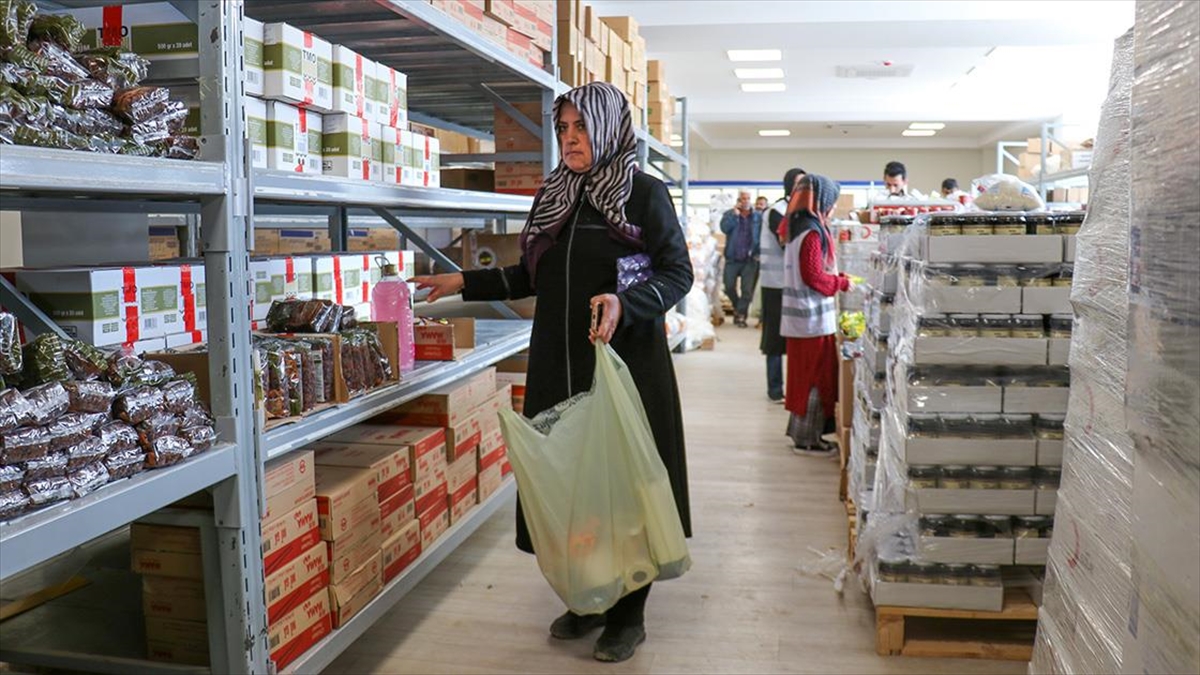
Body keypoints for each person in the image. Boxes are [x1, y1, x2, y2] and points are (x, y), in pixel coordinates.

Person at [412, 81, 692, 664]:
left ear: (610, 129)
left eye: (581, 127)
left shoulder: (643, 194)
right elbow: (531, 278)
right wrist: (463, 281)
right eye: (563, 129)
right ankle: (589, 596)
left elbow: (676, 273)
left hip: (624, 368)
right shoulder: (554, 197)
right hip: (557, 365)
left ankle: (628, 613)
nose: (570, 139)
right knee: (571, 483)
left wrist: (624, 303)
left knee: (623, 485)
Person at [779, 173, 855, 455]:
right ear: (822, 201)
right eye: (832, 203)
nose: (833, 209)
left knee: (804, 378)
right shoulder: (811, 232)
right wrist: (841, 283)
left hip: (800, 319)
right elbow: (812, 276)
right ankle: (808, 439)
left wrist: (836, 277)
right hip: (810, 319)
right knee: (814, 379)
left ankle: (801, 433)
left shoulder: (796, 227)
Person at [759, 167, 805, 403]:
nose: (803, 189)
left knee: (792, 337)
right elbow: (788, 244)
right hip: (775, 283)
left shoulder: (797, 211)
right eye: (799, 184)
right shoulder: (777, 211)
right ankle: (775, 389)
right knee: (775, 340)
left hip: (791, 284)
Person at [720, 190, 762, 327]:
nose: (745, 201)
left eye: (748, 198)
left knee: (747, 291)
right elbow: (724, 229)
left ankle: (741, 316)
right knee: (729, 286)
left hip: (750, 259)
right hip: (732, 258)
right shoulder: (729, 214)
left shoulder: (757, 217)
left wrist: (759, 252)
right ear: (738, 200)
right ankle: (739, 310)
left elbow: (762, 235)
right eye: (743, 198)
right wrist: (734, 216)